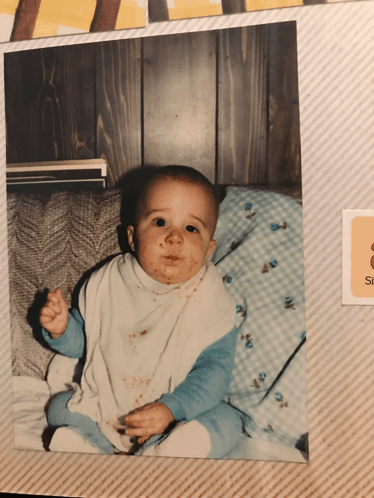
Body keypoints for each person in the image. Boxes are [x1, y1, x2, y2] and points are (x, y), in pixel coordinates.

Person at [40, 166, 243, 458]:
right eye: (161, 221)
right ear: (133, 238)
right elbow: (87, 343)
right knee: (60, 406)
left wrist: (172, 409)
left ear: (209, 248)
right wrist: (60, 329)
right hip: (108, 406)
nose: (175, 237)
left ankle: (167, 451)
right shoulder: (109, 282)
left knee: (228, 420)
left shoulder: (210, 300)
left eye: (191, 228)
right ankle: (93, 449)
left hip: (176, 412)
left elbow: (214, 373)